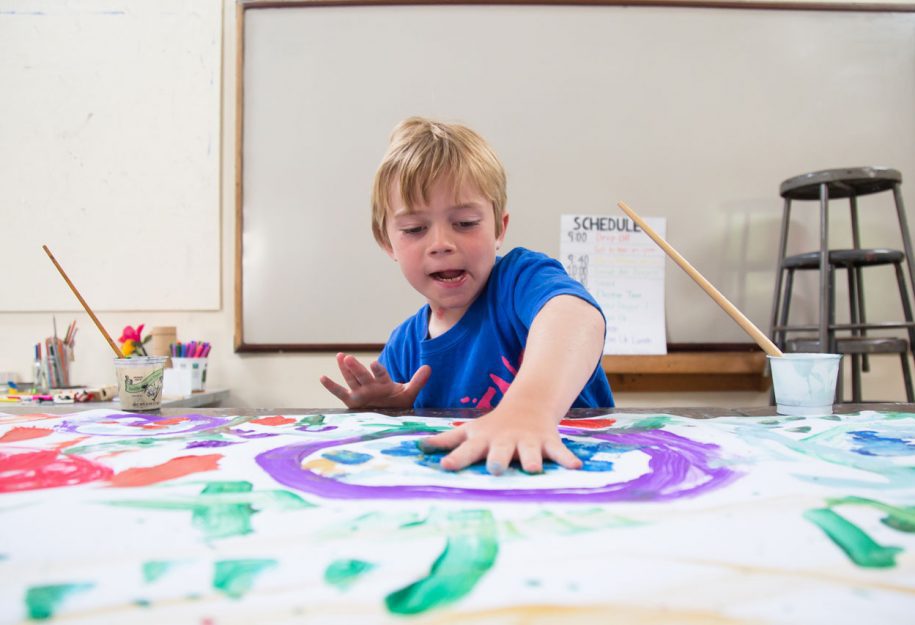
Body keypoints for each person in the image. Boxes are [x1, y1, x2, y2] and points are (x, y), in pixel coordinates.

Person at [320, 117, 614, 475]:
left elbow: (577, 318)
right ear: (387, 243)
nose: (442, 244)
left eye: (465, 223)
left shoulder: (520, 279)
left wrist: (530, 407)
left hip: (572, 480)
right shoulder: (403, 348)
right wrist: (389, 413)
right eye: (414, 229)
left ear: (499, 229)